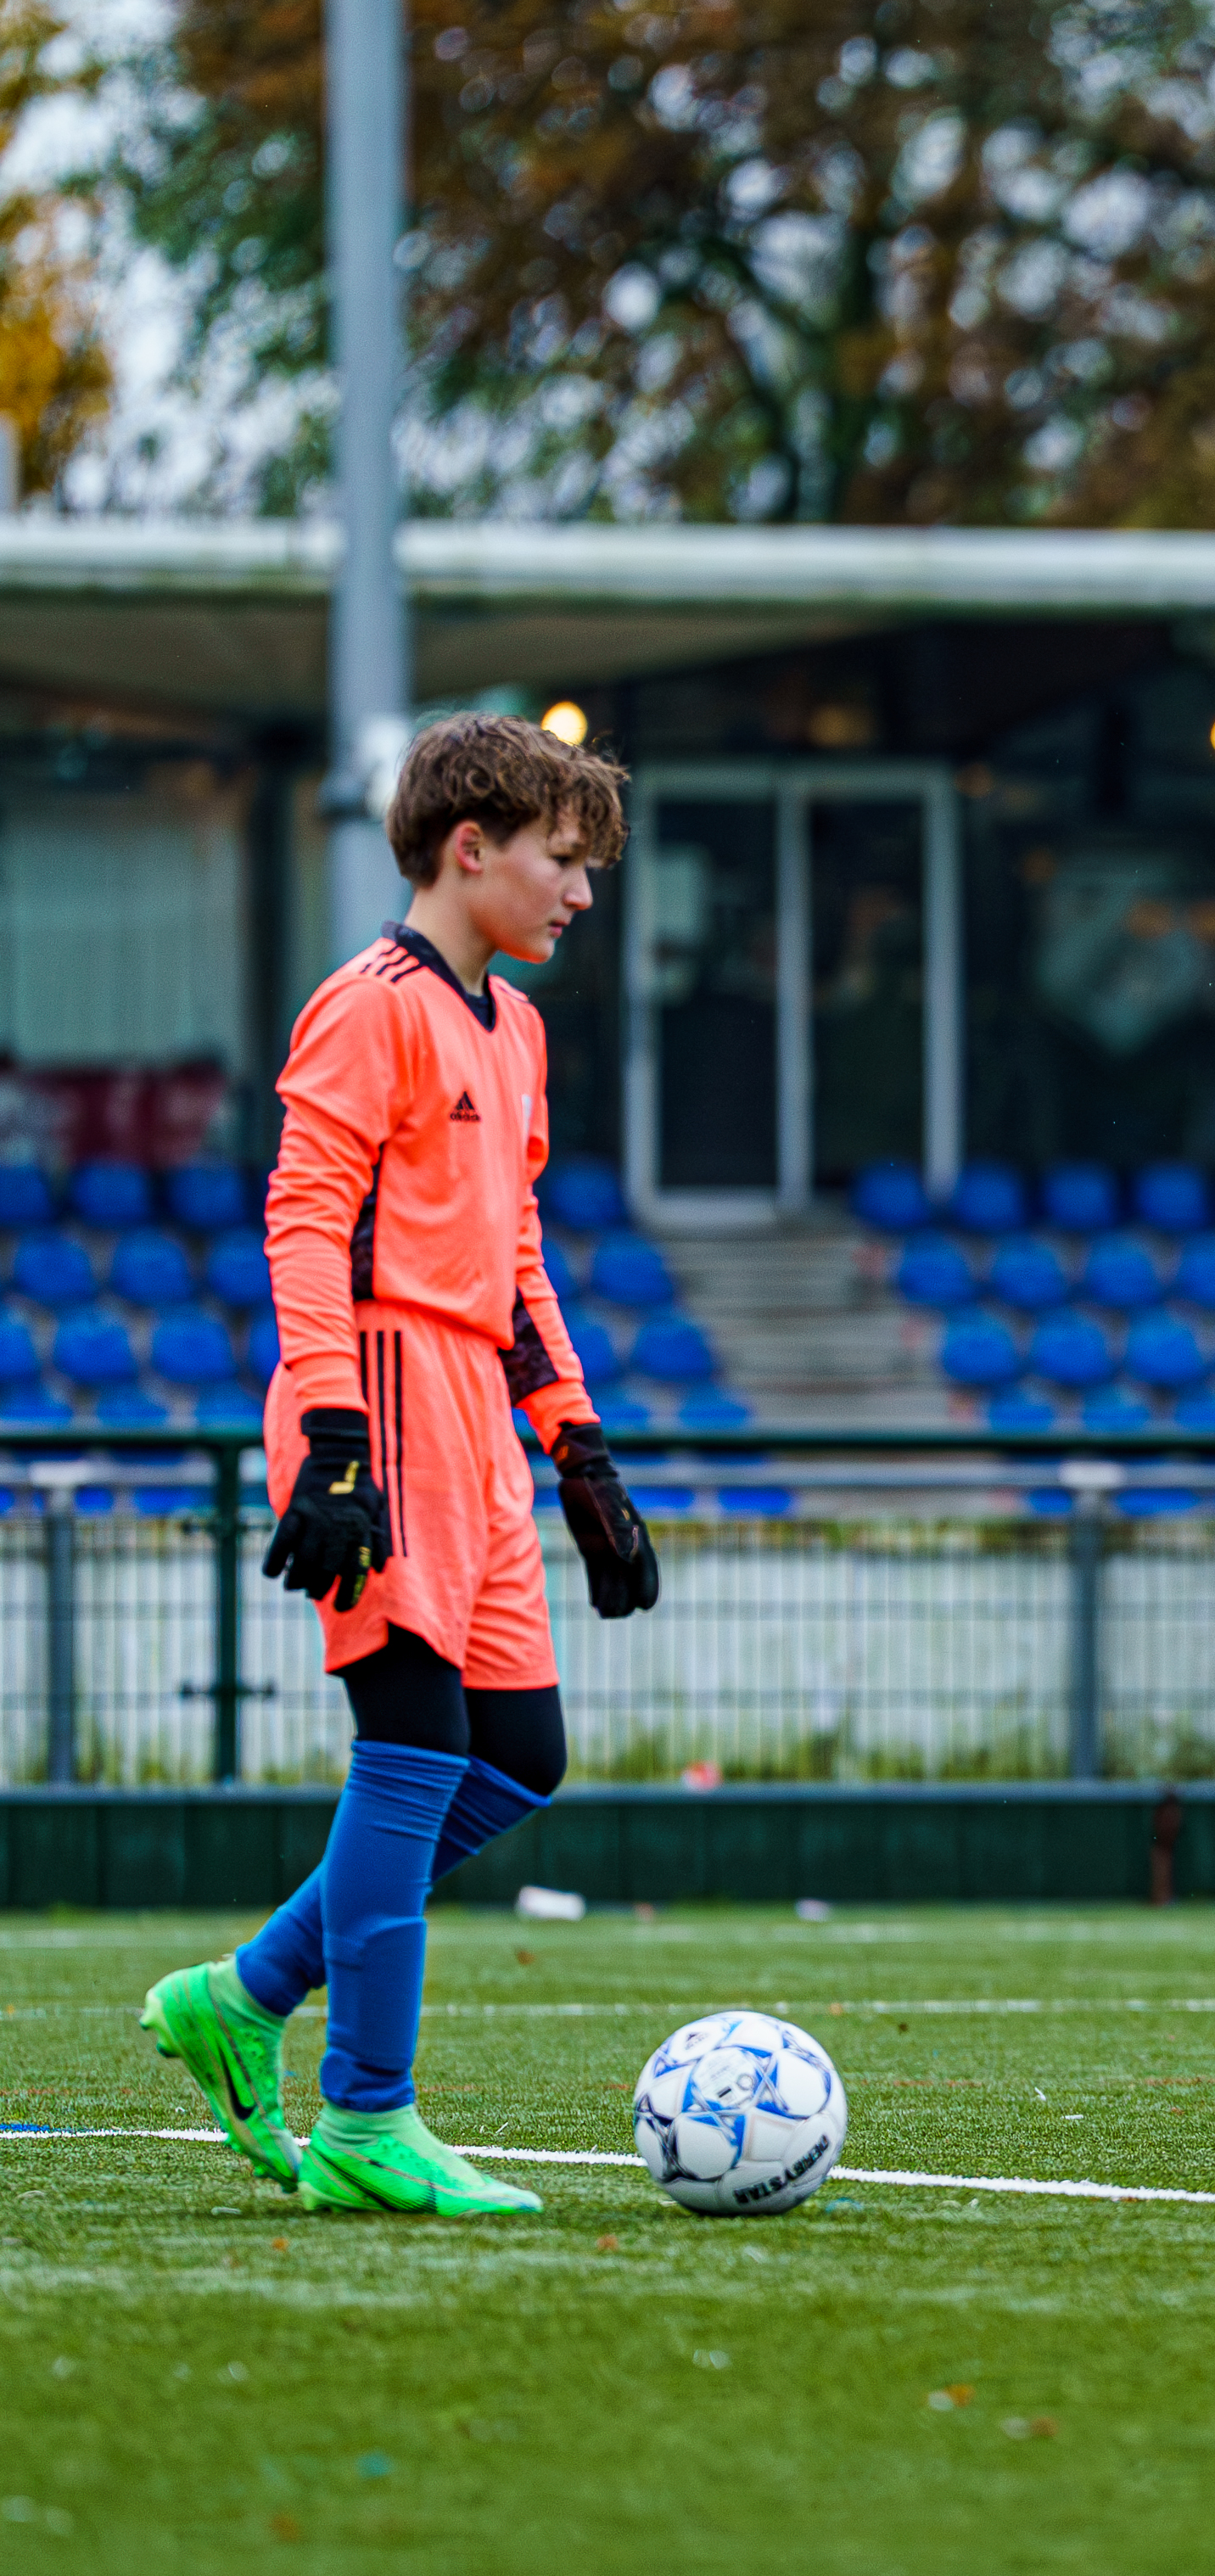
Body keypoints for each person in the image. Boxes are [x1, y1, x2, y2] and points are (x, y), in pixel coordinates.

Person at [138, 712, 662, 2217]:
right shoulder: (369, 1006)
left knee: (520, 1761)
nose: (580, 893)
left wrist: (579, 1444)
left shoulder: (518, 1028)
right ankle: (368, 2120)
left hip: (475, 1421)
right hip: (370, 1393)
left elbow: (511, 1252)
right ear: (468, 848)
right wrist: (335, 1437)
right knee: (418, 1749)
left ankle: (245, 1996)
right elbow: (303, 1221)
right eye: (565, 863)